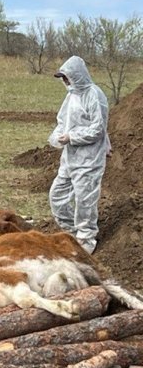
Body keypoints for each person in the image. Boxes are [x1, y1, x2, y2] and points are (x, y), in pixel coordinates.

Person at [48, 56, 109, 254]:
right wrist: (58, 136)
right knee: (57, 196)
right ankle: (70, 232)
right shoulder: (71, 96)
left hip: (89, 159)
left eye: (67, 78)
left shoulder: (94, 95)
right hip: (69, 158)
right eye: (63, 79)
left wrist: (72, 137)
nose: (65, 82)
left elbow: (98, 129)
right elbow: (61, 121)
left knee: (85, 201)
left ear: (77, 76)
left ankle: (85, 239)